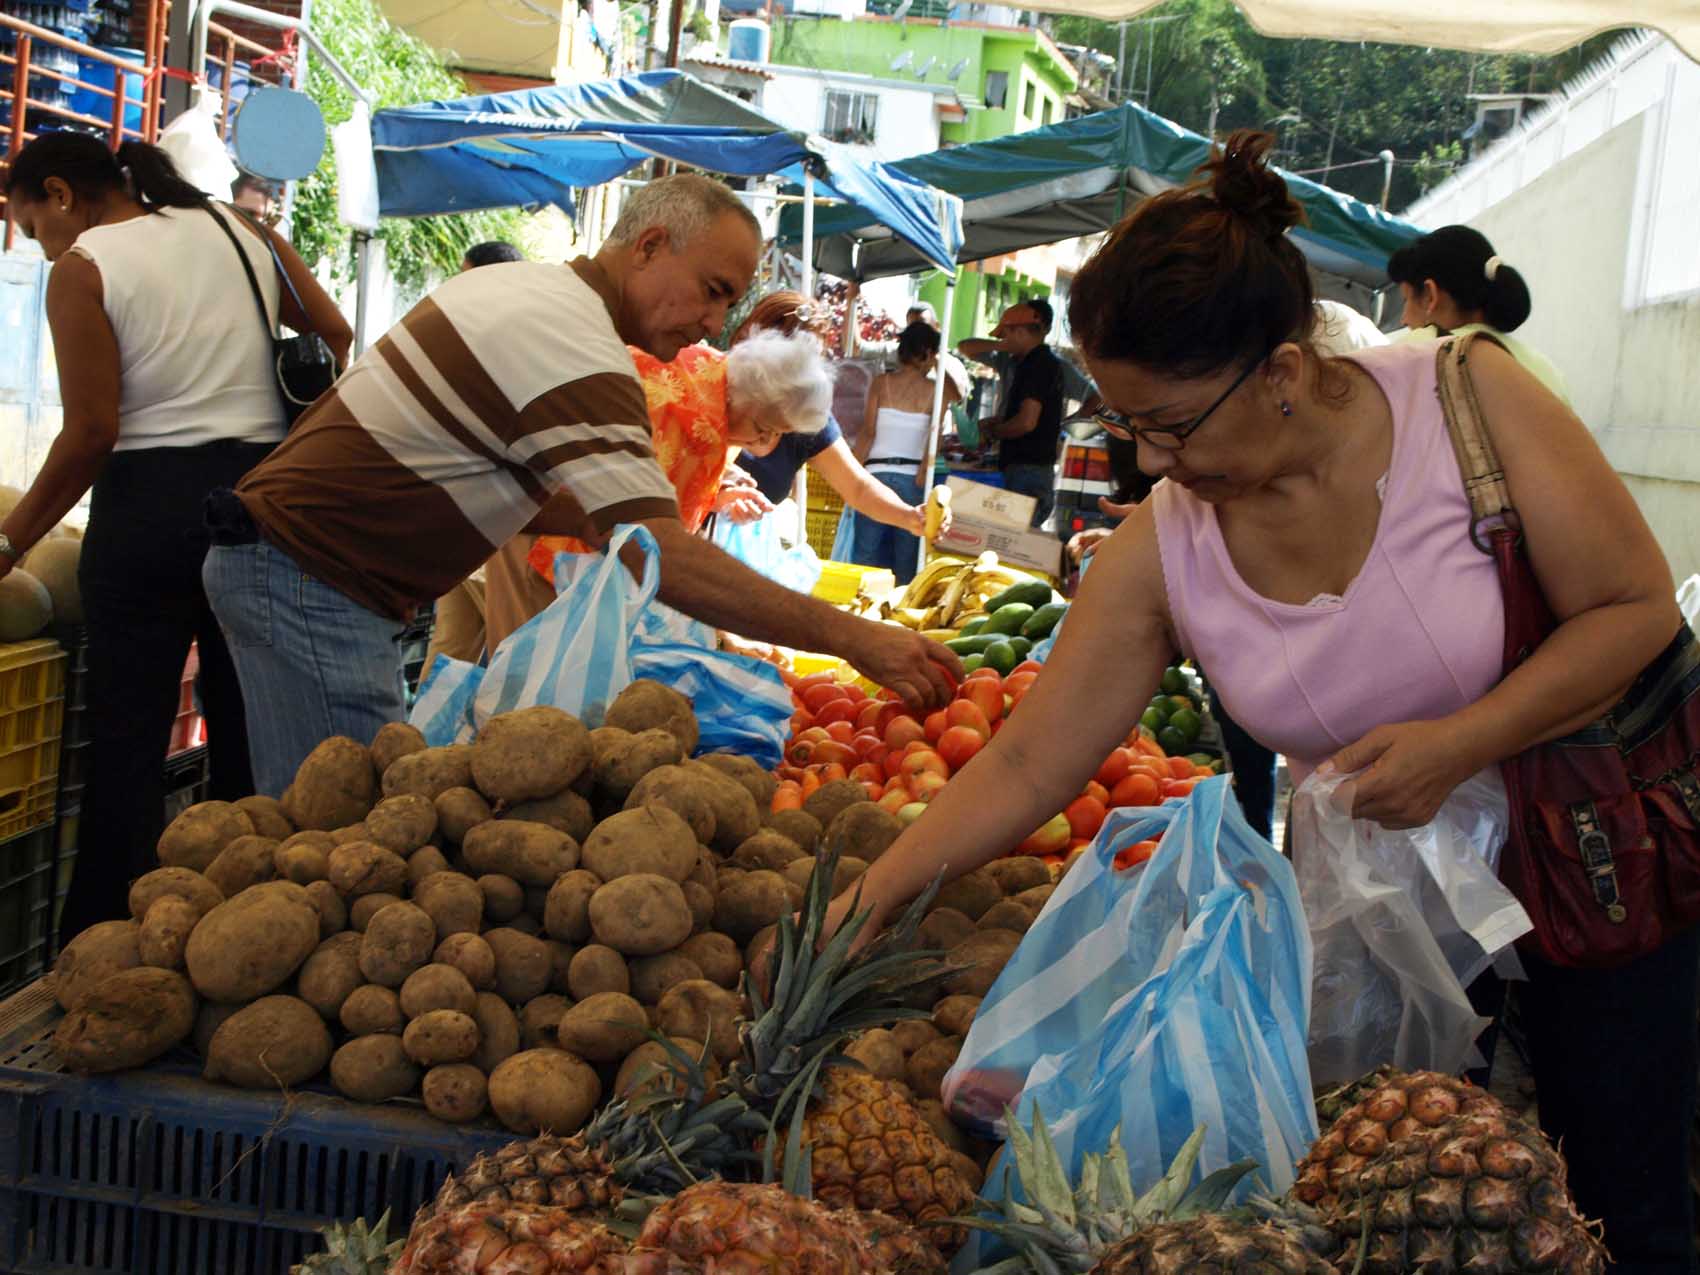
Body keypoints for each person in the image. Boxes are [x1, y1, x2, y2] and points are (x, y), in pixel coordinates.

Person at [814, 132, 1691, 1272]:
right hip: (1386, 933)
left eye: (1172, 425)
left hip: (1592, 870)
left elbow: (1632, 612)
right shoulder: (1162, 546)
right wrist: (878, 893)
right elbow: (1033, 763)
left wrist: (1457, 746)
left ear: (1280, 370)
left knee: (1624, 1208)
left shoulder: (1463, 398)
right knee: (1396, 1228)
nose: (1151, 460)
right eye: (1128, 426)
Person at [202, 173, 960, 797]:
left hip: (295, 568)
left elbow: (520, 480)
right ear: (650, 246)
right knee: (347, 844)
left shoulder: (532, 293)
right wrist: (852, 636)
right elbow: (657, 551)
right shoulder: (581, 347)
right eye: (712, 289)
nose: (714, 322)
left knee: (312, 832)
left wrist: (609, 518)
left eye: (729, 301)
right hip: (312, 580)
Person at [2, 134, 350, 944]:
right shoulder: (242, 229)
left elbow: (92, 432)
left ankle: (101, 946)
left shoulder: (84, 267)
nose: (42, 243)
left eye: (31, 223)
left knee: (126, 748)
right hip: (259, 505)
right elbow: (333, 337)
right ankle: (253, 938)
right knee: (248, 739)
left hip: (146, 513)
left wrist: (11, 542)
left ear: (59, 193)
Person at [508, 327, 834, 636]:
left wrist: (720, 493)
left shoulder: (716, 381)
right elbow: (649, 522)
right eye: (765, 428)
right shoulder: (691, 416)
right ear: (749, 397)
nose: (765, 443)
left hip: (549, 530)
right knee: (523, 676)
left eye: (778, 434)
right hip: (548, 539)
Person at [706, 293, 949, 545]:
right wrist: (720, 491)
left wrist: (910, 517)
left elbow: (857, 487)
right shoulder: (705, 390)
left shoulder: (804, 413)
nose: (765, 437)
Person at [424, 243, 534, 669]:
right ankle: (425, 734)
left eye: (466, 277)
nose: (456, 288)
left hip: (492, 528)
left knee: (479, 658)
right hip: (469, 527)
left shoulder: (508, 341)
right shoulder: (475, 337)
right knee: (456, 655)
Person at [1387, 224, 1571, 403]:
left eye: (1406, 299)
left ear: (1430, 295)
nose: (1404, 319)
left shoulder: (1420, 350)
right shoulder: (1547, 371)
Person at [848, 322, 962, 583]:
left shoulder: (881, 383)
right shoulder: (935, 390)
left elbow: (868, 433)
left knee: (865, 553)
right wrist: (936, 362)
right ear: (928, 353)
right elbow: (953, 402)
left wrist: (852, 471)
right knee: (906, 559)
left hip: (875, 473)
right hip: (914, 477)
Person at [958, 300, 1066, 527]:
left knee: (1012, 544)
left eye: (1005, 334)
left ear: (1019, 331)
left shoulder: (1040, 364)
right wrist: (998, 422)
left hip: (1028, 470)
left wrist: (995, 431)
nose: (1001, 340)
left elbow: (1026, 422)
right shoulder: (1030, 363)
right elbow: (965, 346)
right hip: (1027, 469)